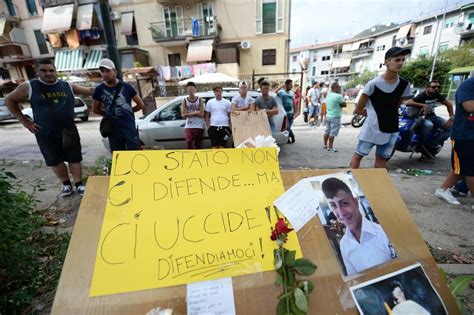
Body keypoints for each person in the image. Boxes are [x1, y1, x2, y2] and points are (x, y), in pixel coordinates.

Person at [5, 59, 93, 197]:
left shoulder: (67, 86)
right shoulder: (29, 86)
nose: (48, 73)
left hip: (68, 129)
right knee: (54, 160)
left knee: (74, 158)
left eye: (51, 70)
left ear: (55, 71)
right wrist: (24, 121)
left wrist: (107, 86)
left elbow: (90, 91)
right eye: (44, 70)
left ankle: (79, 184)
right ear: (37, 71)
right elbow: (9, 100)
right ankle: (66, 185)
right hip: (45, 131)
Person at [350, 47, 411, 169]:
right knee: (358, 155)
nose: (400, 63)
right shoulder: (373, 84)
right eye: (397, 60)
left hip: (391, 127)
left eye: (403, 60)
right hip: (372, 128)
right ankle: (352, 183)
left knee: (382, 159)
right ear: (387, 62)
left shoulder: (404, 84)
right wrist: (373, 115)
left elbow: (396, 106)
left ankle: (377, 186)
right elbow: (358, 109)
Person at [321, 177, 396, 276]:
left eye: (344, 203)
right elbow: (354, 280)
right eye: (334, 206)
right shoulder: (344, 244)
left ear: (355, 203)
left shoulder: (384, 233)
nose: (341, 213)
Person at [435, 77, 474, 207]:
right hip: (465, 135)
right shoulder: (468, 85)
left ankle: (443, 190)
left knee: (461, 167)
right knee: (469, 170)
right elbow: (469, 106)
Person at [92, 58, 145, 152]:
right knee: (118, 156)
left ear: (115, 72)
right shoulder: (99, 89)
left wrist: (128, 111)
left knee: (134, 154)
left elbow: (141, 104)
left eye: (108, 71)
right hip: (113, 129)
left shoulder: (127, 87)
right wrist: (108, 114)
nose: (105, 74)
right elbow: (95, 109)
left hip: (128, 126)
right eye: (102, 71)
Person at [406, 80, 454, 162]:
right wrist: (423, 105)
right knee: (428, 125)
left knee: (451, 128)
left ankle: (430, 145)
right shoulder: (422, 96)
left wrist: (451, 118)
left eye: (438, 87)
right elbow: (408, 102)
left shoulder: (437, 95)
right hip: (422, 117)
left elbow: (449, 104)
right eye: (433, 87)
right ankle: (420, 145)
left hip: (433, 117)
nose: (436, 89)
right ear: (427, 88)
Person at [181, 81, 205, 149]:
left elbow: (202, 114)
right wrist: (196, 112)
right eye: (189, 89)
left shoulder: (199, 99)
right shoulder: (185, 100)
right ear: (187, 90)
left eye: (192, 89)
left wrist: (188, 113)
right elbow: (183, 115)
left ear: (195, 89)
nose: (191, 91)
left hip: (199, 125)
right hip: (189, 125)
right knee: (189, 142)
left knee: (198, 145)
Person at [323, 82, 346, 152]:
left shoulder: (328, 95)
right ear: (335, 88)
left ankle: (325, 145)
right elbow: (344, 105)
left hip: (328, 115)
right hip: (335, 116)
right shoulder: (339, 96)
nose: (340, 89)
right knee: (332, 132)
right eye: (339, 87)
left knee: (327, 131)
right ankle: (330, 147)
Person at [277, 79, 295, 143]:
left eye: (291, 85)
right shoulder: (281, 92)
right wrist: (281, 86)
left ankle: (287, 138)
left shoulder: (292, 93)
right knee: (287, 127)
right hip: (284, 113)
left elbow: (293, 103)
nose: (291, 86)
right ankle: (292, 136)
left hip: (291, 113)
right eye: (290, 85)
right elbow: (273, 93)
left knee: (289, 127)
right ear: (286, 85)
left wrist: (295, 112)